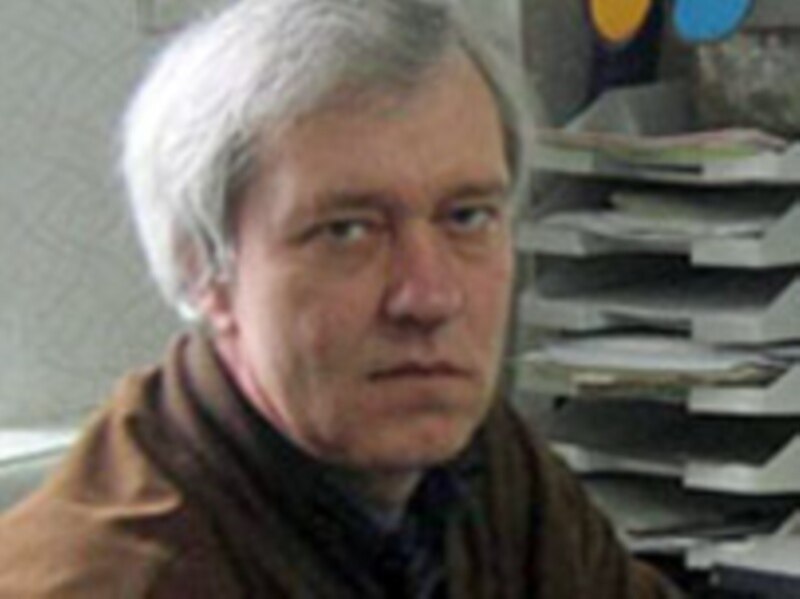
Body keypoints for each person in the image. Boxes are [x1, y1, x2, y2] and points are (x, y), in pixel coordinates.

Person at [0, 0, 682, 597]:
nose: (429, 296)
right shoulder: (120, 578)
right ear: (204, 267)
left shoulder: (475, 463)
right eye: (348, 231)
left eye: (467, 217)